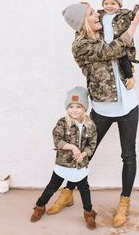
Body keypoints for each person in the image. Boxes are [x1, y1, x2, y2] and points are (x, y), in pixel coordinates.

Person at [60, 0, 139, 228]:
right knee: (86, 152)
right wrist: (136, 22)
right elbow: (115, 48)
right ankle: (68, 192)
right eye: (92, 13)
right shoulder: (81, 46)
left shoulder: (101, 29)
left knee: (128, 155)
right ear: (83, 22)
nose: (98, 14)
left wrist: (135, 10)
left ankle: (124, 202)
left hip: (129, 106)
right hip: (103, 109)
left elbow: (111, 11)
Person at [30, 86, 97, 230]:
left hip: (80, 165)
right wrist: (72, 147)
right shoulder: (62, 123)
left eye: (78, 106)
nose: (74, 110)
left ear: (84, 108)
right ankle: (40, 206)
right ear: (67, 108)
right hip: (63, 165)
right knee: (52, 187)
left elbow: (92, 145)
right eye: (71, 106)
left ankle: (89, 213)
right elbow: (57, 140)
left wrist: (83, 154)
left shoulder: (90, 126)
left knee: (85, 189)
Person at [99, 0, 139, 90]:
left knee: (123, 58)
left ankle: (130, 76)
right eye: (106, 3)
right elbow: (88, 16)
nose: (109, 6)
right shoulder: (100, 14)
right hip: (106, 45)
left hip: (119, 43)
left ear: (119, 5)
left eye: (113, 3)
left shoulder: (123, 14)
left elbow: (134, 15)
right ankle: (129, 68)